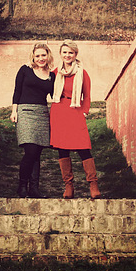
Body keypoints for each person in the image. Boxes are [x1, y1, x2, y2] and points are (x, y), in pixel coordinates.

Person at [50, 40, 101, 199]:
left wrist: (84, 112)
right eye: (65, 52)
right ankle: (68, 186)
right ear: (60, 54)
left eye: (70, 52)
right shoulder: (55, 72)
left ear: (75, 55)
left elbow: (87, 95)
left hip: (76, 110)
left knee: (83, 148)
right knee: (62, 149)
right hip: (59, 110)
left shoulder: (82, 73)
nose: (67, 55)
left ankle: (93, 184)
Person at [10, 43, 56, 198]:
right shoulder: (25, 70)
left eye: (43, 55)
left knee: (37, 153)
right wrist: (14, 111)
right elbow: (17, 91)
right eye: (37, 56)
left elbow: (56, 96)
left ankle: (34, 189)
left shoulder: (52, 75)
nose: (41, 58)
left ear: (48, 55)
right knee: (30, 150)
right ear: (33, 57)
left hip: (42, 113)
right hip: (25, 112)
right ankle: (22, 185)